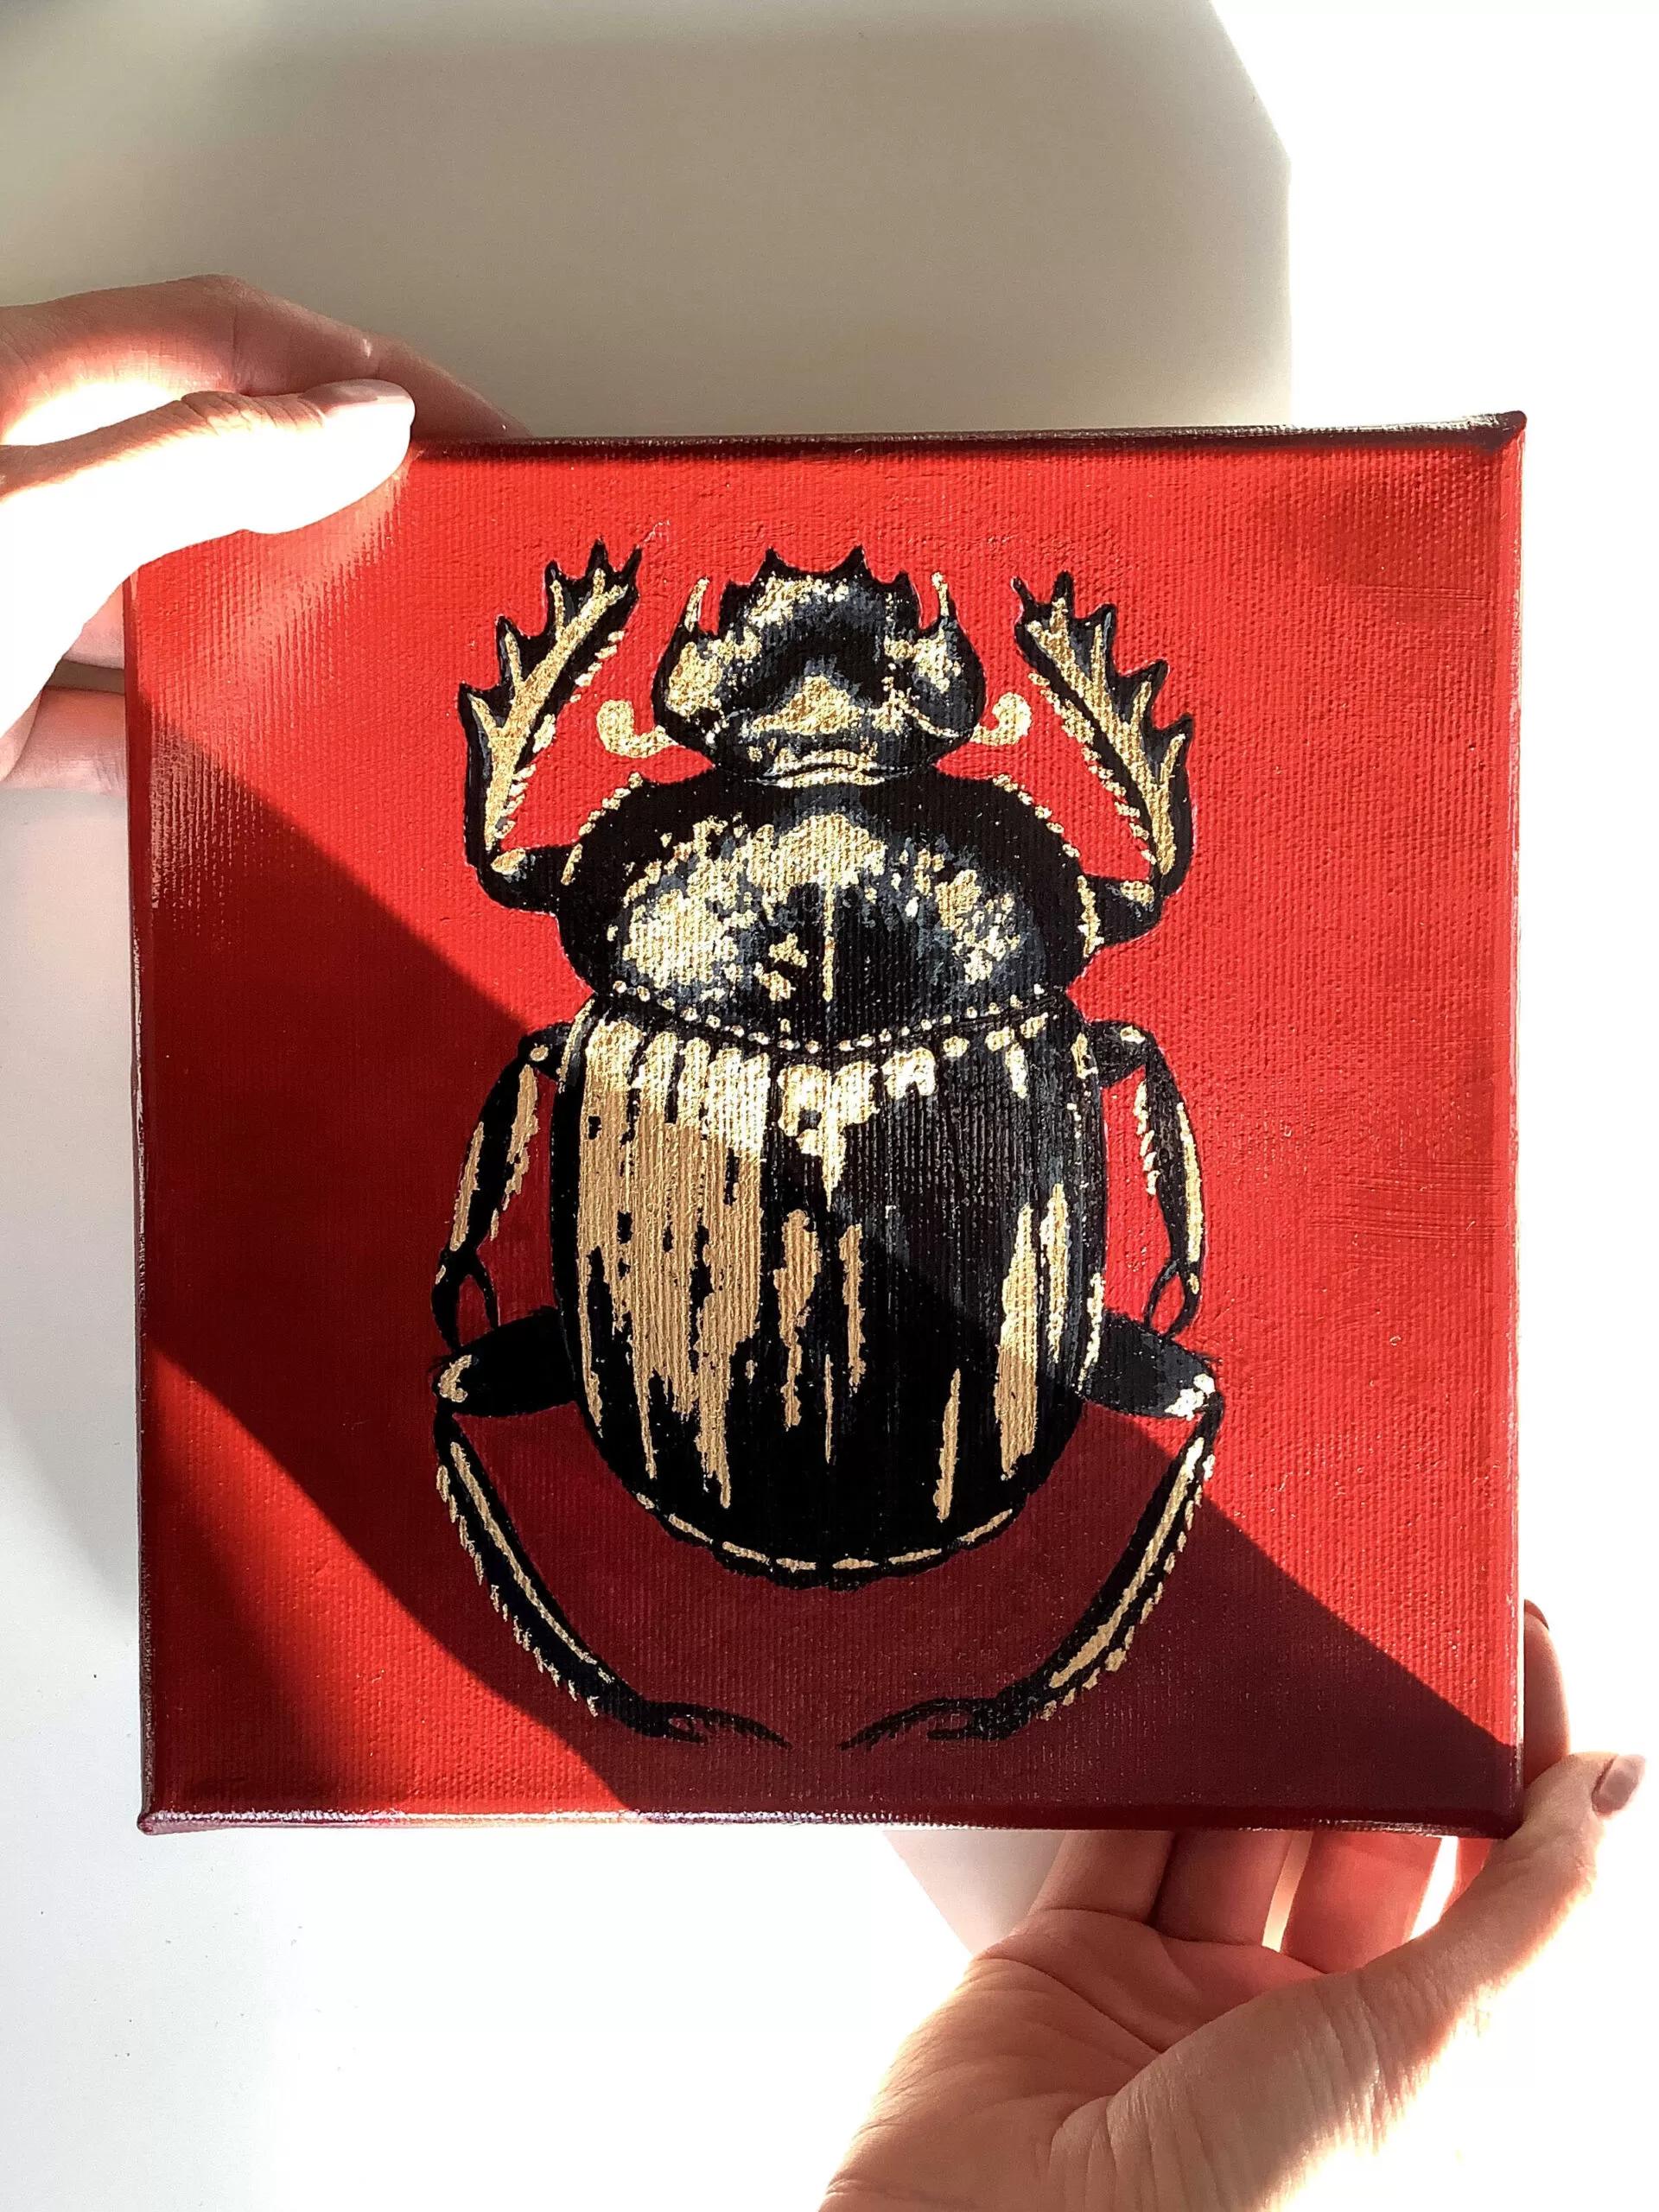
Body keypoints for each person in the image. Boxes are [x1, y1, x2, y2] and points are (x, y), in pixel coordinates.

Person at [0, 277, 1643, 2208]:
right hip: (945, 1433)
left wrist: (571, 666)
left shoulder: (598, 993)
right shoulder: (1056, 987)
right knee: (1178, 1387)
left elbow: (519, 863)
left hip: (735, 1410)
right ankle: (949, 1688)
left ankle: (702, 1684)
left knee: (472, 1384)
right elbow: (1139, 886)